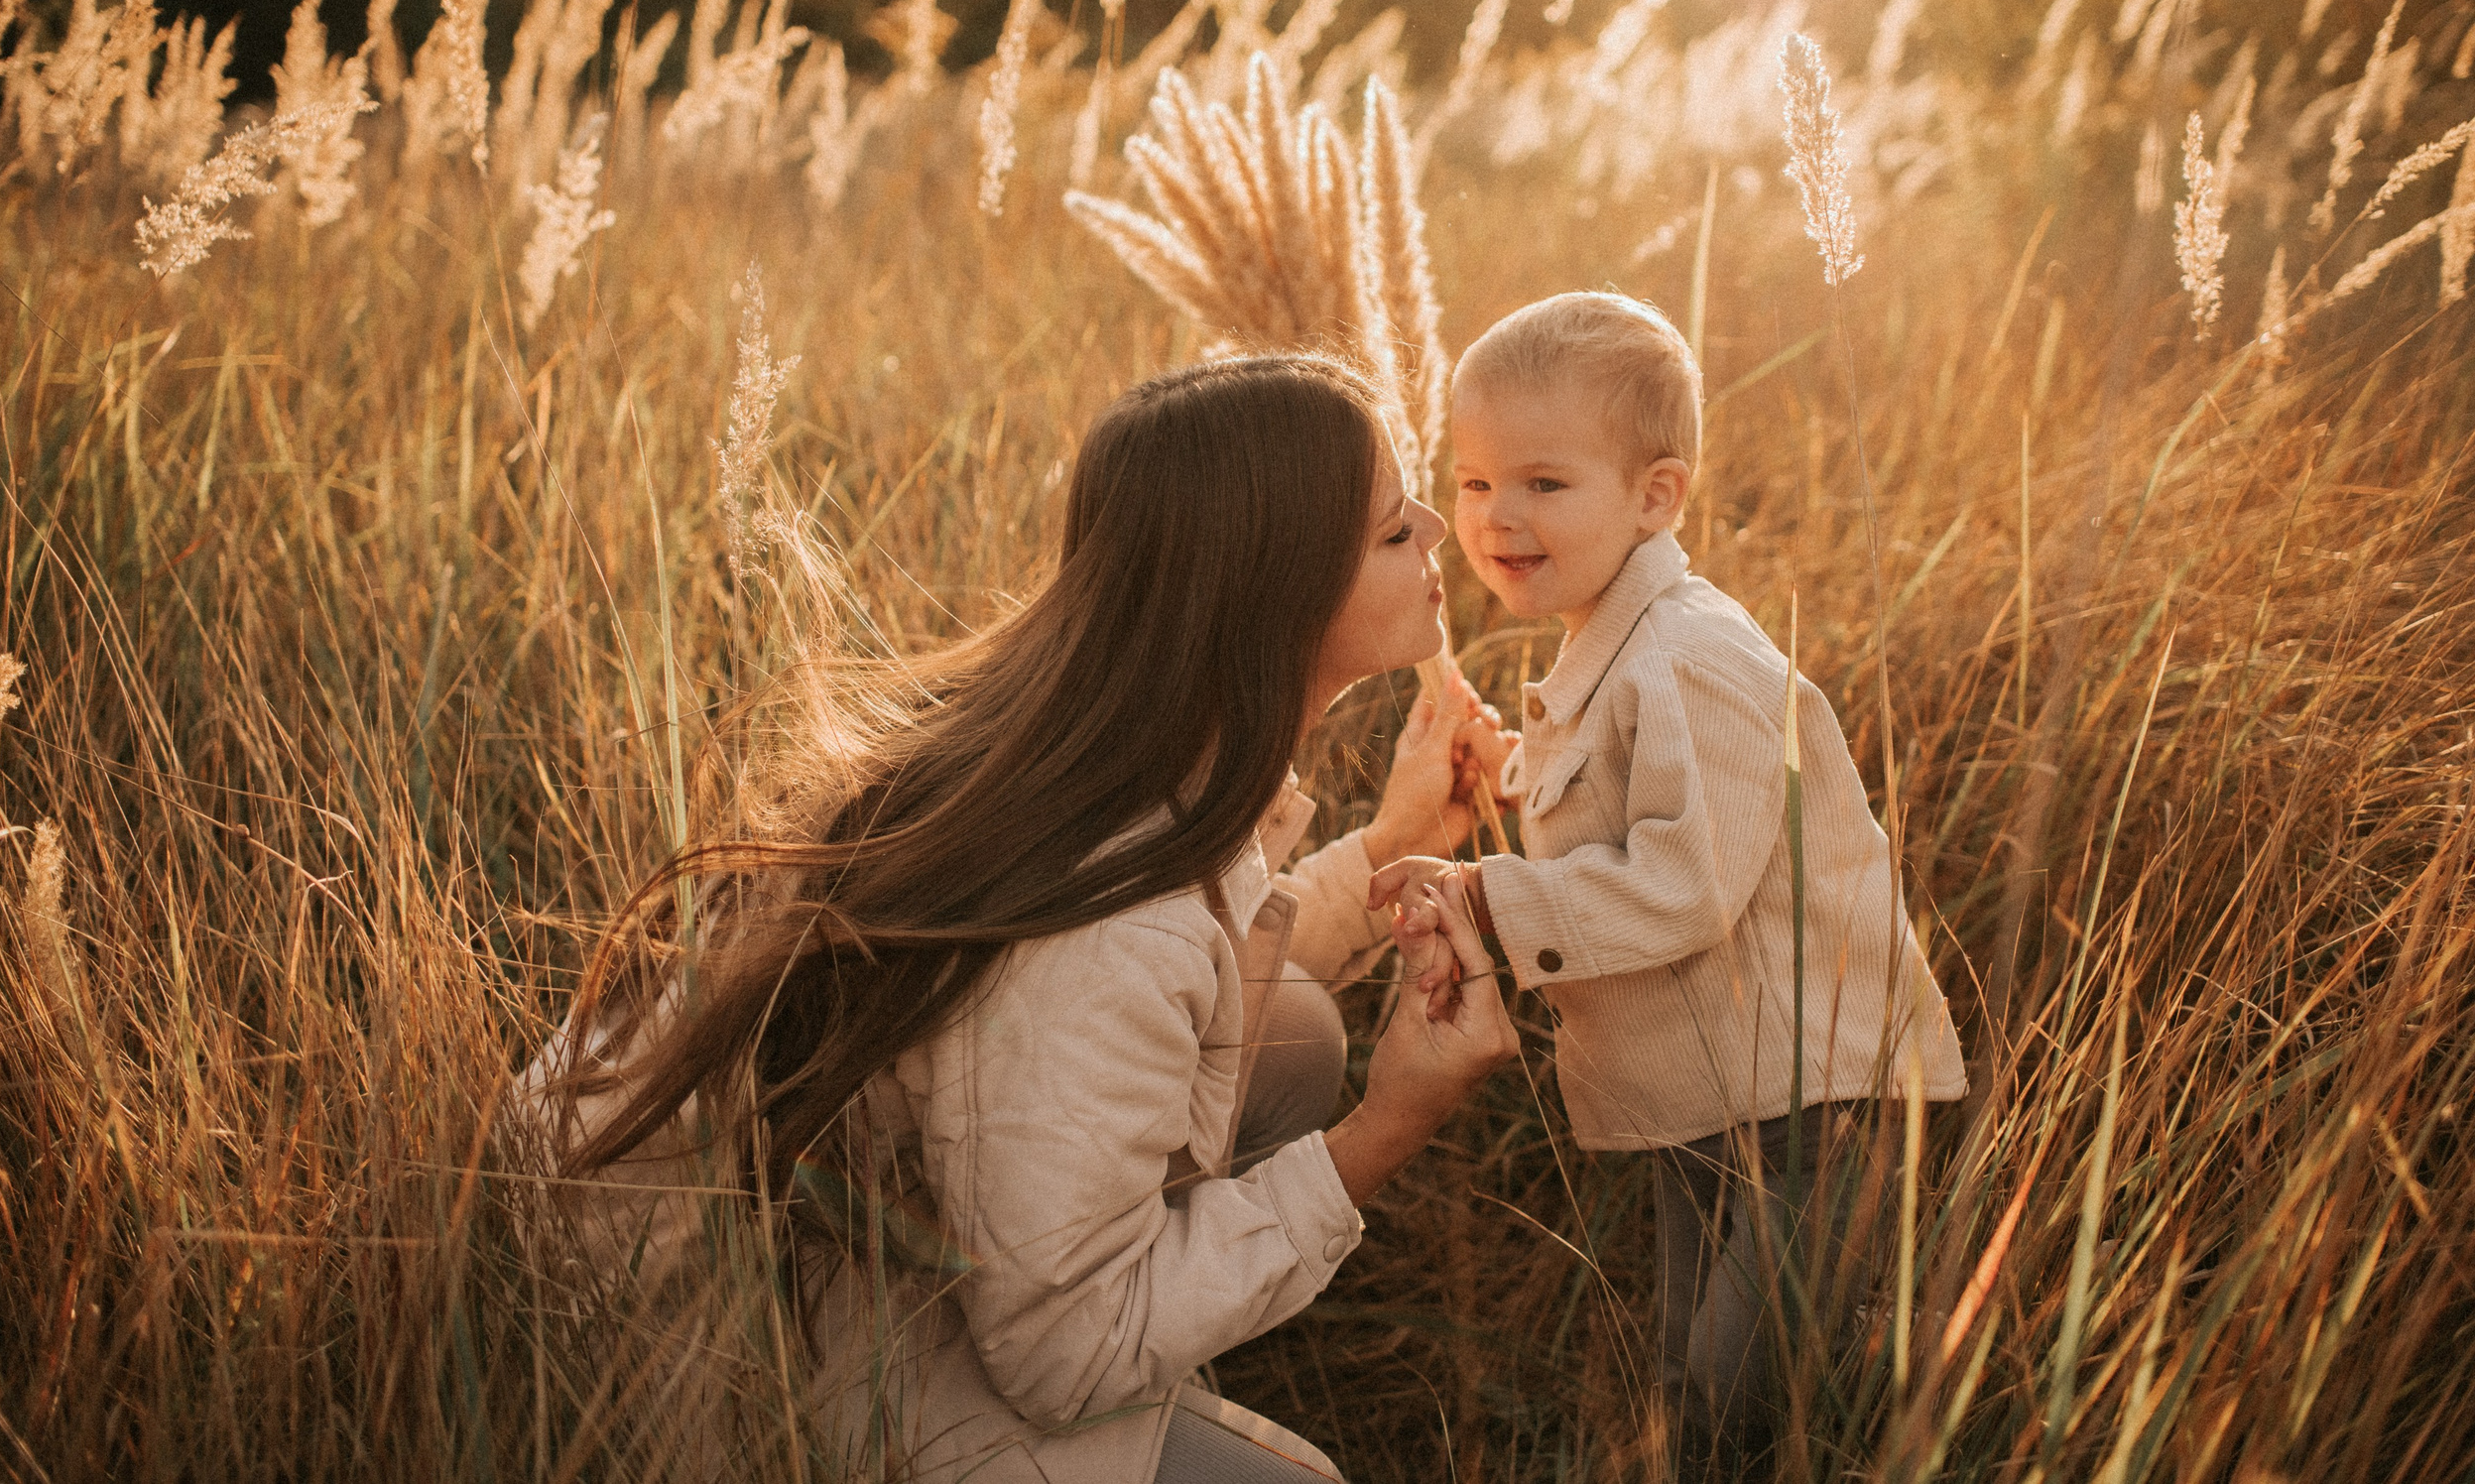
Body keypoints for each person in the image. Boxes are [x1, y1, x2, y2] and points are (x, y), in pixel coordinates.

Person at [517, 353, 1519, 1483]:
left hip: (812, 1206)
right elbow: (1063, 1355)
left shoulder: (1101, 739)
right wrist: (1380, 1132)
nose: (1439, 527)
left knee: (1290, 1037)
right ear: (1272, 597)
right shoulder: (1102, 913)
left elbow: (1175, 967)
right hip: (711, 1326)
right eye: (1393, 532)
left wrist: (1385, 849)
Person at [1372, 292, 1967, 1475]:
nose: (1497, 517)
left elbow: (1685, 884)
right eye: (1477, 482)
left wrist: (1489, 897)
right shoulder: (1609, 640)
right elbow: (1618, 808)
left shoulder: (1689, 657)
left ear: (1656, 495)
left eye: (1545, 482)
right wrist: (1506, 773)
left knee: (1749, 1389)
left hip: (1809, 1099)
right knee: (1691, 1368)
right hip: (1705, 1091)